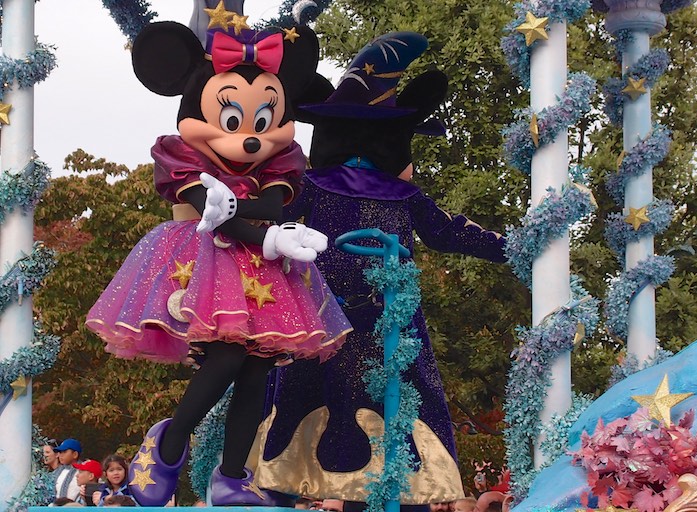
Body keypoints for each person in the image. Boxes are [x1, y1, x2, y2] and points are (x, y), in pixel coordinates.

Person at [85, 8, 350, 508]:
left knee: (257, 368)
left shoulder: (281, 160)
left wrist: (252, 221)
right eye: (233, 118)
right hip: (204, 261)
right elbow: (213, 217)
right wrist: (258, 229)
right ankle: (168, 443)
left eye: (263, 120)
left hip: (264, 268)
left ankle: (231, 476)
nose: (249, 135)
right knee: (226, 355)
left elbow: (269, 207)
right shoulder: (180, 154)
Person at [250, 31, 506, 511]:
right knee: (384, 411)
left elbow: (262, 218)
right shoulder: (392, 195)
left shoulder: (311, 187)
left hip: (342, 324)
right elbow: (452, 232)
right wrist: (515, 249)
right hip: (339, 325)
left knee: (337, 408)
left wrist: (225, 214)